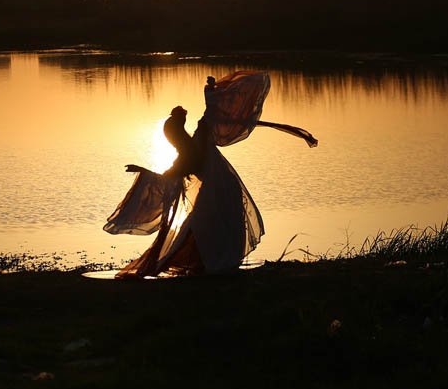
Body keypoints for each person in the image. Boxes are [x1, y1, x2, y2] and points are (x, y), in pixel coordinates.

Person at [103, 71, 317, 279]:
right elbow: (172, 176)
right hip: (220, 191)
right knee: (202, 228)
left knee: (207, 228)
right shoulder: (192, 147)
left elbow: (173, 173)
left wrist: (211, 92)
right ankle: (212, 265)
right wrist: (211, 93)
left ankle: (216, 266)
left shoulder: (194, 145)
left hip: (222, 192)